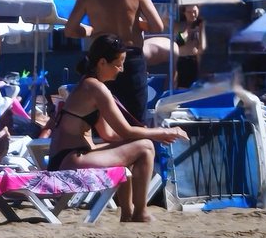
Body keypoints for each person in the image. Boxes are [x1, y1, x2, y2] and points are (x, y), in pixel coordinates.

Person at [44, 34, 189, 223]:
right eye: (118, 64)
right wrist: (163, 133)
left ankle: (128, 212)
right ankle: (140, 212)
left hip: (66, 158)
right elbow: (125, 131)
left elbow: (110, 135)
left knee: (132, 145)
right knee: (145, 147)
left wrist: (138, 136)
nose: (121, 70)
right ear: (102, 62)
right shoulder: (95, 88)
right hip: (70, 162)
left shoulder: (89, 85)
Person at [64, 0, 164, 123]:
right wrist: (137, 24)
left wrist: (92, 30)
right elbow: (157, 26)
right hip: (130, 59)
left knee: (102, 118)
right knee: (135, 118)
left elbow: (70, 30)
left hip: (101, 61)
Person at [172, 4, 207, 88]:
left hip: (193, 61)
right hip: (179, 61)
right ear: (184, 12)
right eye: (189, 12)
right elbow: (164, 19)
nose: (193, 14)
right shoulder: (178, 25)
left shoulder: (201, 26)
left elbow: (203, 47)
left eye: (195, 11)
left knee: (193, 90)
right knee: (180, 89)